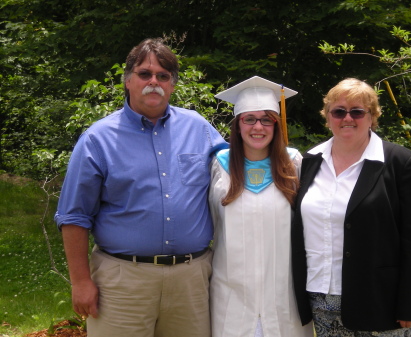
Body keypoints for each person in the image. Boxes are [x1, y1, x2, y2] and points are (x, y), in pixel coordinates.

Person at [54, 38, 228, 337]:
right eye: (145, 74)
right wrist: (80, 282)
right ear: (128, 80)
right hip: (123, 283)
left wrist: (283, 159)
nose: (154, 82)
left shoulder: (198, 128)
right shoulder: (98, 139)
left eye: (163, 76)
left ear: (173, 85)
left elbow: (238, 171)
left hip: (191, 281)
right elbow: (73, 216)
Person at [291, 78, 411, 336]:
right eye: (339, 111)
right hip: (321, 298)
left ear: (372, 116)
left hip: (381, 299)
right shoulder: (310, 161)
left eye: (357, 111)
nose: (347, 118)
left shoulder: (401, 162)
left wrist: (410, 304)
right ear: (328, 116)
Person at [210, 76, 314, 337]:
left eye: (266, 119)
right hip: (230, 295)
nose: (258, 127)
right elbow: (211, 223)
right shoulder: (219, 165)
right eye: (249, 119)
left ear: (276, 124)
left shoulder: (294, 165)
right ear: (238, 124)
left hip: (283, 294)